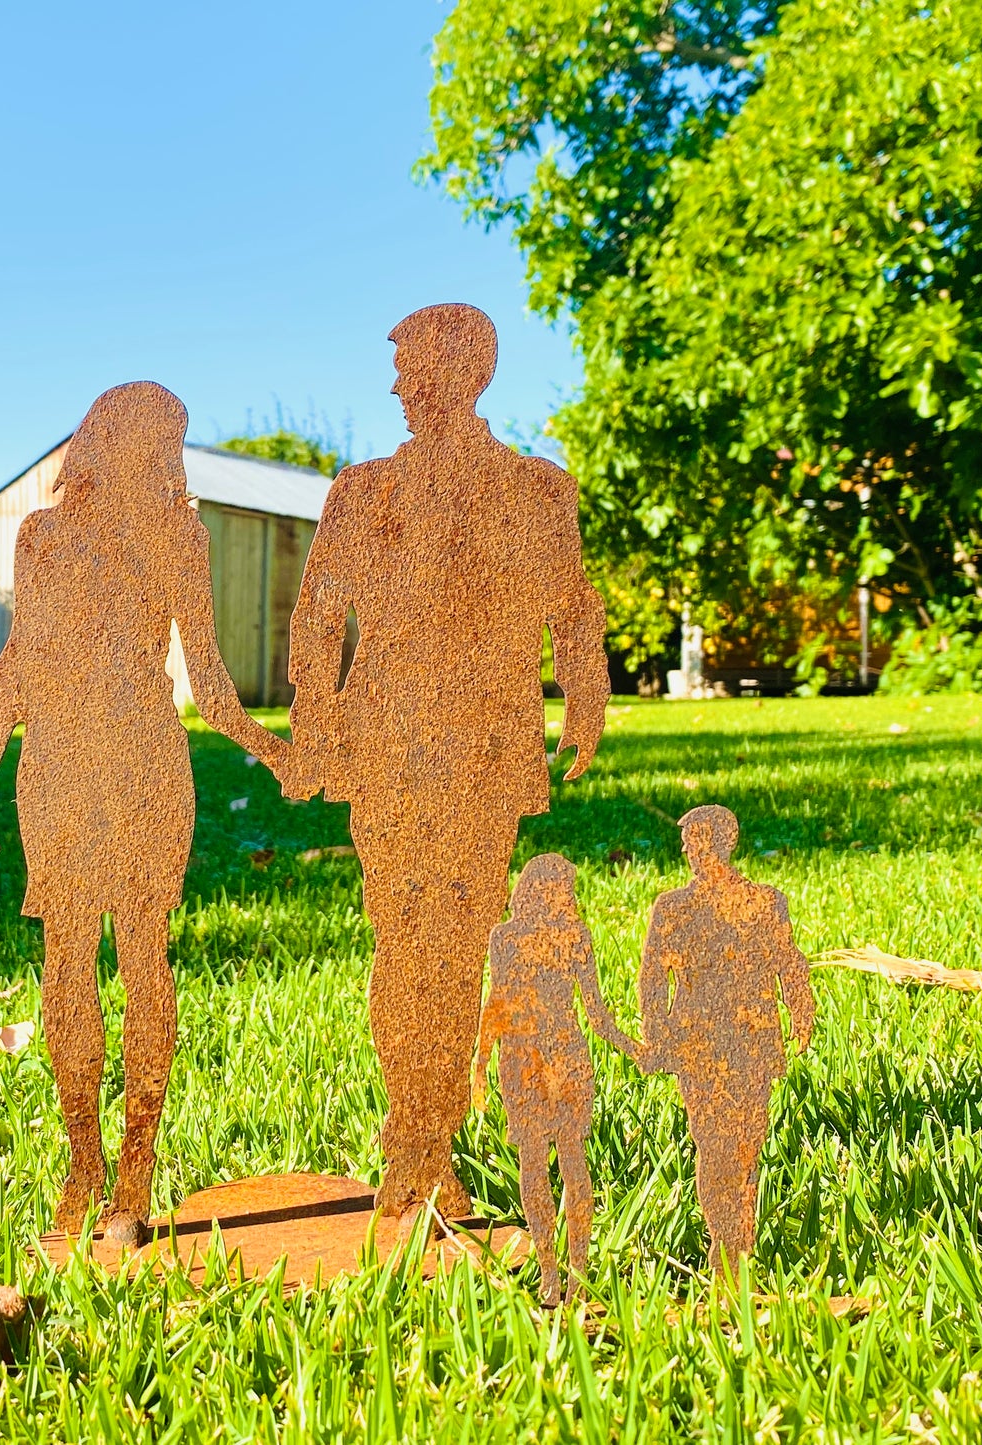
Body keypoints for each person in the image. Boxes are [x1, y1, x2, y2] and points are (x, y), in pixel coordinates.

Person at [281, 303, 610, 1217]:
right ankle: (412, 1131)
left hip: (487, 739)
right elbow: (316, 619)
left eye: (409, 367)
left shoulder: (538, 491)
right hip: (385, 737)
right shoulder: (360, 491)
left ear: (458, 370)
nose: (395, 386)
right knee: (400, 937)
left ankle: (430, 1139)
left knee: (458, 942)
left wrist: (584, 692)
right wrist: (313, 722)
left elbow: (573, 607)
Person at [0, 382, 287, 1243]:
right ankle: (82, 1157)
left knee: (145, 952)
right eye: (159, 439)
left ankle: (136, 1163)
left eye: (173, 442)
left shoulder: (180, 533)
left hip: (145, 752)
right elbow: (22, 657)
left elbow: (208, 677)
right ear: (115, 440)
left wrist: (276, 747)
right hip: (59, 761)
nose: (166, 456)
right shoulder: (43, 533)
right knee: (65, 958)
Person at [630, 805, 815, 1274]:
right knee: (711, 1141)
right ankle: (725, 1242)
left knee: (748, 1142)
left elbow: (787, 960)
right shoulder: (673, 907)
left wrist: (801, 1007)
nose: (691, 850)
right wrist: (654, 1030)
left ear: (723, 843)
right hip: (697, 1041)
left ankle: (741, 1236)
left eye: (698, 841)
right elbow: (652, 977)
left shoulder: (764, 902)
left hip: (752, 1038)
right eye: (687, 843)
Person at [474, 854, 610, 1306]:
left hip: (567, 1053)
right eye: (560, 890)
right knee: (532, 1163)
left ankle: (579, 1271)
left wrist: (638, 1047)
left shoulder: (576, 937)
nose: (568, 899)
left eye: (569, 892)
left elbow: (596, 1011)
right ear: (536, 890)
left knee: (573, 1158)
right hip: (522, 1057)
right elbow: (498, 1000)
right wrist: (480, 1063)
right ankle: (548, 1267)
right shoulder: (505, 938)